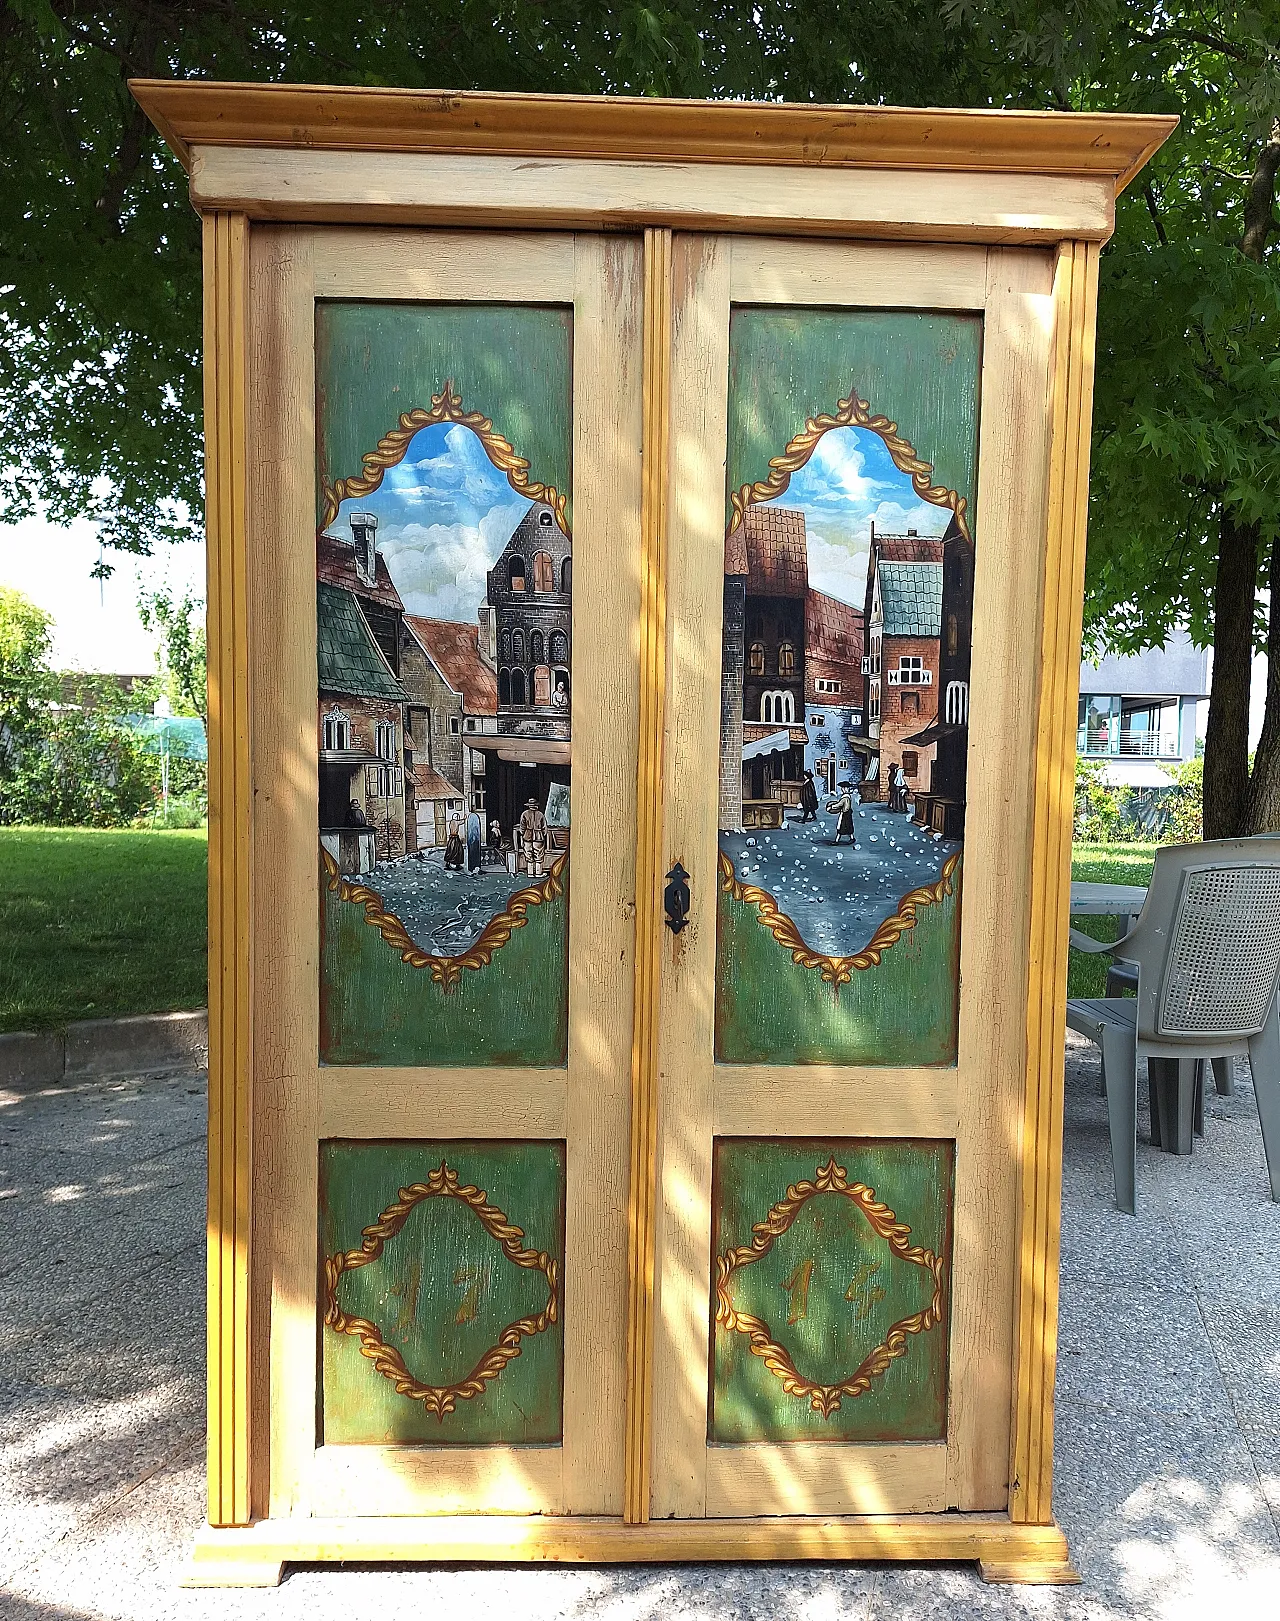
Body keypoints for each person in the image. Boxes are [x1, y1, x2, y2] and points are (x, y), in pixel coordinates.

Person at [518, 796, 549, 876]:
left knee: (528, 854)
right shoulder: (540, 814)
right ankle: (538, 873)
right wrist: (542, 834)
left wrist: (523, 834)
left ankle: (530, 873)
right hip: (538, 837)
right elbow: (544, 827)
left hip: (527, 836)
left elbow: (522, 827)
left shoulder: (524, 814)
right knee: (539, 854)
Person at [827, 780, 857, 846]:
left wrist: (831, 807)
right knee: (848, 827)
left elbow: (839, 805)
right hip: (848, 813)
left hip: (845, 814)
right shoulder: (848, 796)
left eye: (843, 788)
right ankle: (852, 838)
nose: (842, 790)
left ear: (845, 789)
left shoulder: (845, 798)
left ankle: (837, 841)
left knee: (841, 827)